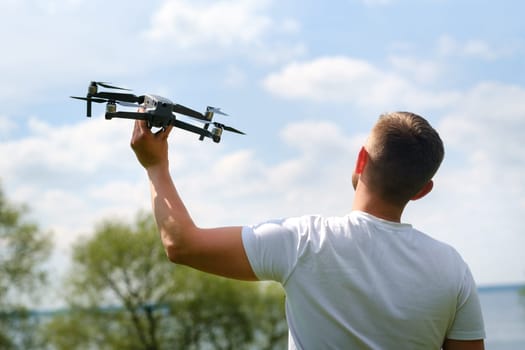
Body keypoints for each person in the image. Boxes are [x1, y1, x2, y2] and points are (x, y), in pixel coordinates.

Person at [130, 111, 485, 349]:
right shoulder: (454, 269)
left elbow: (181, 244)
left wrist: (155, 167)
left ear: (361, 160)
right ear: (423, 190)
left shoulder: (304, 241)